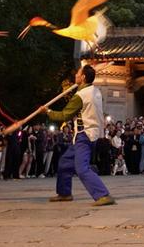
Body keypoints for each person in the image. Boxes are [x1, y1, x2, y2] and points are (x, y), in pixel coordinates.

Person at [42, 65, 115, 206]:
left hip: (84, 134)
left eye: (78, 74)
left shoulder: (81, 96)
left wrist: (48, 112)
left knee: (82, 168)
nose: (75, 75)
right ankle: (64, 193)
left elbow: (64, 115)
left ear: (83, 78)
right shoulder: (96, 92)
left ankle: (103, 194)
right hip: (89, 133)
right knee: (64, 163)